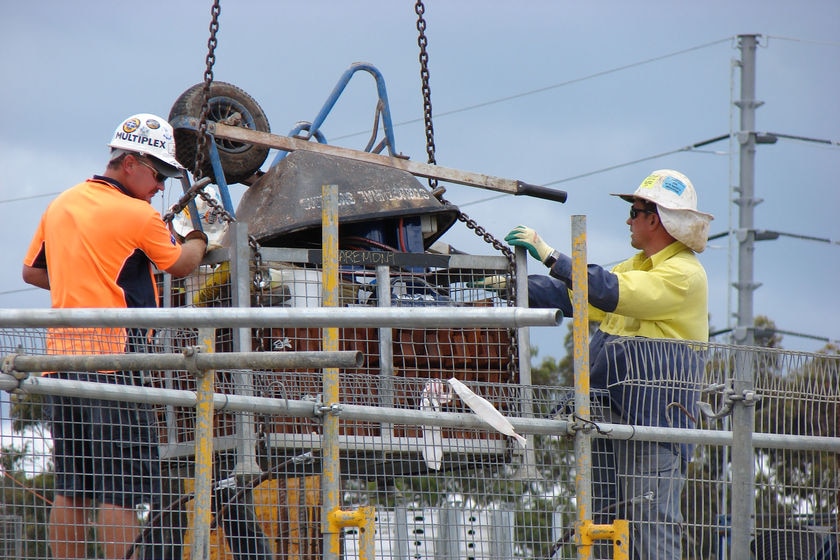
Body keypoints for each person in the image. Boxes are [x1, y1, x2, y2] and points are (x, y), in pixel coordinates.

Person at [22, 113, 208, 560]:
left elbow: (32, 271)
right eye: (158, 173)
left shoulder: (62, 203)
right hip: (117, 364)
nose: (161, 186)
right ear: (130, 162)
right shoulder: (137, 215)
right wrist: (199, 238)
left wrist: (81, 279)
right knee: (120, 490)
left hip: (60, 366)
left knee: (72, 489)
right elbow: (180, 264)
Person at [505, 169, 713, 559]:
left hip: (655, 425)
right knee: (604, 524)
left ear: (656, 218)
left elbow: (610, 291)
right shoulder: (639, 265)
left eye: (634, 212)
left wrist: (552, 256)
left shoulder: (684, 275)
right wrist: (510, 286)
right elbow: (577, 294)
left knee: (650, 526)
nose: (628, 220)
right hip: (610, 415)